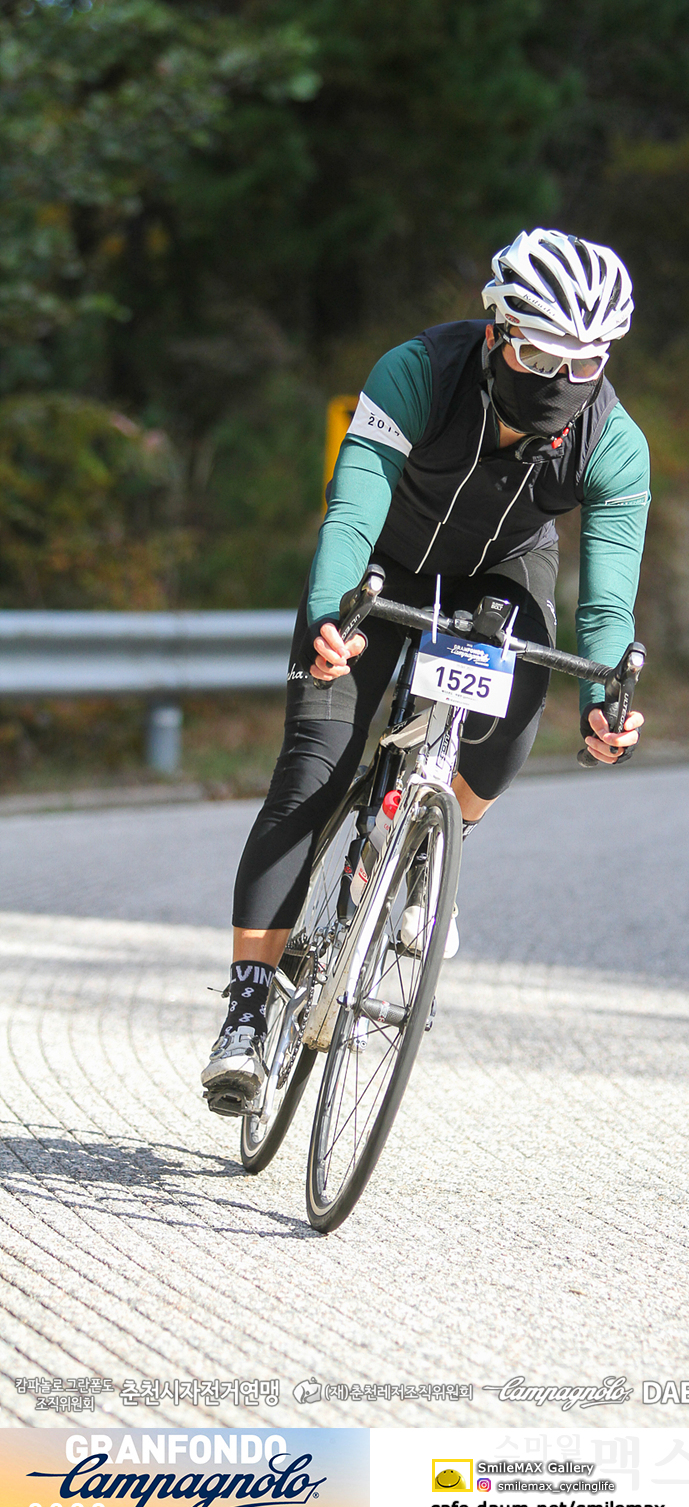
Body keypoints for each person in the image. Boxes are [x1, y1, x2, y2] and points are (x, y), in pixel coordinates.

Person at [201, 228, 650, 1114]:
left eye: (585, 361)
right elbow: (349, 513)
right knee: (313, 774)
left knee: (511, 731)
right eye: (537, 354)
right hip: (382, 567)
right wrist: (331, 615)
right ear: (496, 333)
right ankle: (247, 1010)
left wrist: (607, 699)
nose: (559, 379)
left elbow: (605, 610)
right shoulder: (417, 373)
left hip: (502, 576)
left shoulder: (614, 443)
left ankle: (424, 851)